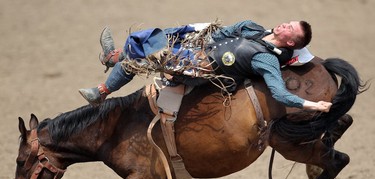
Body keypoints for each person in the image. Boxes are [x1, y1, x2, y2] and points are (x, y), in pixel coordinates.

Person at [79, 20, 332, 112]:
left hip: (202, 70)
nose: (284, 24)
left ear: (290, 41)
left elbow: (279, 92)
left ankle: (102, 90)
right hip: (199, 47)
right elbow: (229, 30)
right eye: (288, 22)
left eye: (290, 28)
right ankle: (113, 58)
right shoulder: (254, 28)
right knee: (149, 37)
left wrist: (311, 105)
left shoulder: (266, 59)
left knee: (146, 57)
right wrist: (202, 35)